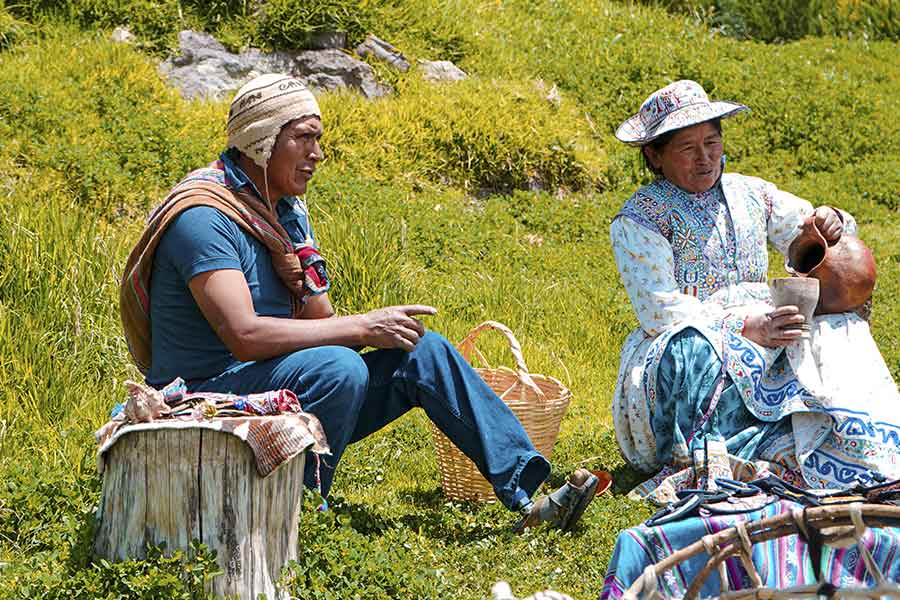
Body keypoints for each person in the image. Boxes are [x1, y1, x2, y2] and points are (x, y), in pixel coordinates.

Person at [119, 73, 598, 531]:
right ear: (264, 140)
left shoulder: (280, 215)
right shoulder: (203, 217)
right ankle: (297, 506)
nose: (317, 154)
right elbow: (244, 336)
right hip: (209, 398)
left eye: (318, 140)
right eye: (304, 138)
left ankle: (528, 494)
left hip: (271, 387)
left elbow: (319, 320)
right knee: (338, 367)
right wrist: (364, 327)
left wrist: (304, 273)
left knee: (420, 351)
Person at [609, 80, 899, 499]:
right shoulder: (641, 218)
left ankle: (853, 440)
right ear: (654, 156)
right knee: (691, 346)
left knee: (837, 323)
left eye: (712, 141)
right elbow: (659, 311)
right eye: (688, 148)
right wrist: (743, 326)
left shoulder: (750, 193)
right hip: (686, 343)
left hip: (765, 322)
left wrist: (828, 220)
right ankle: (714, 454)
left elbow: (810, 230)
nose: (706, 157)